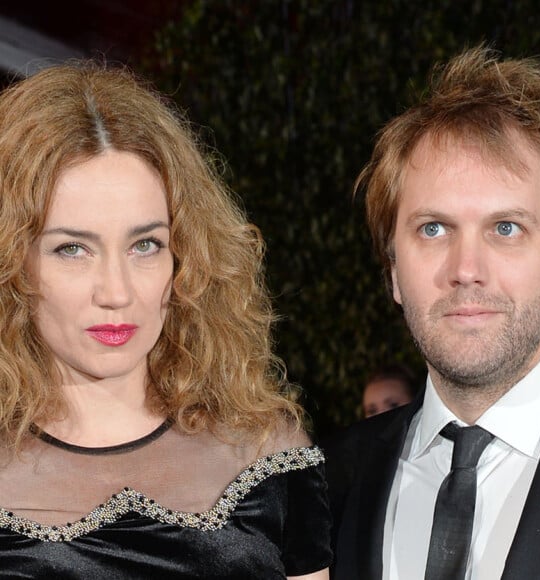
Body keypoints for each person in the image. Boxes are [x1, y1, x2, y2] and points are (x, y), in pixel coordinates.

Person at [0, 61, 331, 579]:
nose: (116, 292)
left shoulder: (265, 451)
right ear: (12, 263)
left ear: (187, 259)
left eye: (145, 245)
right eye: (72, 249)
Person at [325, 45, 540, 580]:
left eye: (506, 228)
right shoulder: (321, 486)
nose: (466, 268)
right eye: (433, 229)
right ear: (394, 269)